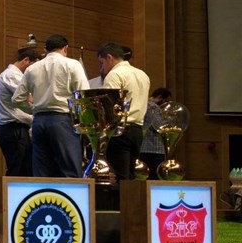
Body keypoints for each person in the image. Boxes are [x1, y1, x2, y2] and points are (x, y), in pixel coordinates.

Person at [12, 34, 90, 178]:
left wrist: (33, 108)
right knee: (70, 171)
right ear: (65, 48)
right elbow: (83, 95)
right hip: (63, 120)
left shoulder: (32, 68)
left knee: (41, 173)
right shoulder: (72, 65)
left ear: (45, 50)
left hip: (38, 122)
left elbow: (16, 99)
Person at [97, 42, 151, 181]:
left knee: (120, 177)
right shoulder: (142, 74)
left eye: (102, 63)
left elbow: (109, 105)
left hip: (120, 130)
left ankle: (120, 196)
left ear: (109, 57)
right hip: (138, 130)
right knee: (132, 176)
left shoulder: (114, 74)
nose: (102, 68)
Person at [0, 46, 41, 176]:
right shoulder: (12, 75)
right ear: (26, 60)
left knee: (22, 170)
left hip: (14, 129)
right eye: (34, 67)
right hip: (13, 130)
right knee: (18, 171)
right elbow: (30, 100)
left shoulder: (11, 74)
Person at [139, 87, 172, 179]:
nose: (166, 105)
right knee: (154, 178)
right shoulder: (153, 107)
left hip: (143, 148)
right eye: (166, 101)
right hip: (154, 149)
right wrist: (171, 119)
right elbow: (159, 126)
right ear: (160, 97)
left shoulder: (143, 104)